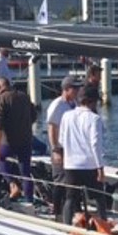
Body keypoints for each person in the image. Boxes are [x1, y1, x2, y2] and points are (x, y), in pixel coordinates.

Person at [58, 85, 108, 226]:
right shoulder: (94, 119)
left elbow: (61, 140)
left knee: (70, 198)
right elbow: (95, 144)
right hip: (89, 164)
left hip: (70, 164)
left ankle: (67, 227)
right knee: (99, 196)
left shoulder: (66, 116)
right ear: (92, 102)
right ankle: (104, 224)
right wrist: (100, 168)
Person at [0, 77, 36, 202]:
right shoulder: (24, 97)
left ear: (0, 87)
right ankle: (29, 200)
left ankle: (12, 184)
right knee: (26, 172)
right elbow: (34, 116)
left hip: (8, 141)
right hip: (26, 139)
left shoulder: (1, 99)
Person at [46, 75, 81, 220]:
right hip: (60, 148)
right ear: (66, 89)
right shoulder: (57, 105)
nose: (78, 91)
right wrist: (55, 149)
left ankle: (75, 210)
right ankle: (57, 212)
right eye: (75, 88)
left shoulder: (74, 104)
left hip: (72, 149)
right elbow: (52, 127)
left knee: (73, 180)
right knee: (59, 181)